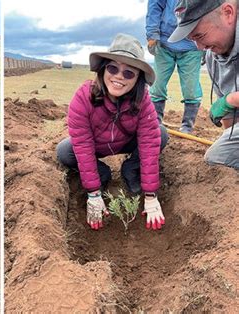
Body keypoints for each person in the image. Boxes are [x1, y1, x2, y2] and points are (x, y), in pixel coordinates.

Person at [56, 33, 169, 231]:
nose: (119, 76)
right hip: (96, 145)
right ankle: (103, 174)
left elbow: (149, 143)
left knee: (160, 134)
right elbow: (82, 145)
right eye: (113, 68)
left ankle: (131, 169)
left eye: (128, 73)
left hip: (126, 141)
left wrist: (151, 196)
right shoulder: (83, 97)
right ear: (103, 69)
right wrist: (93, 192)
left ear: (138, 79)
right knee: (65, 151)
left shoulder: (143, 100)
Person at [169, 0, 239, 169]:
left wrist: (231, 100)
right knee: (218, 157)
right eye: (193, 39)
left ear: (228, 13)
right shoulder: (212, 56)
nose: (200, 47)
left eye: (200, 35)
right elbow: (229, 118)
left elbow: (228, 103)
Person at [146, 0, 204, 134]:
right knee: (157, 84)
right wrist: (152, 34)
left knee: (191, 86)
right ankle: (156, 122)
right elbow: (155, 6)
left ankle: (187, 126)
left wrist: (207, 44)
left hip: (192, 46)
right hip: (164, 43)